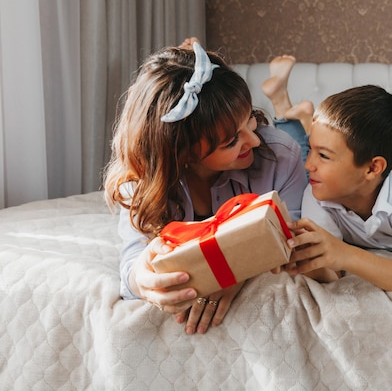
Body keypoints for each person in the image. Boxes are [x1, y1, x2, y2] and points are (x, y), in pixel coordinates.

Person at [104, 40, 307, 334]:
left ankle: (287, 109)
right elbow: (134, 263)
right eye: (231, 141)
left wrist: (237, 272)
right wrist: (145, 281)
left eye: (249, 119)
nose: (254, 141)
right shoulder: (142, 181)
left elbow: (294, 241)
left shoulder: (279, 155)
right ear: (183, 153)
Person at [276, 79, 392, 291]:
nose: (308, 165)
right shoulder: (317, 194)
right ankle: (308, 124)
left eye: (323, 155)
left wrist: (347, 254)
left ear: (372, 168)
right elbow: (332, 273)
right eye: (312, 150)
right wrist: (305, 261)